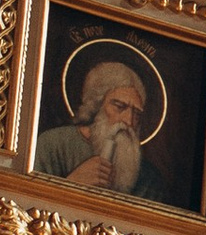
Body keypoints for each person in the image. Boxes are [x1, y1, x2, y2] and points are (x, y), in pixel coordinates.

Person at [35, 54, 161, 201]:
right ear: (97, 105)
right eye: (119, 107)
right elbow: (26, 201)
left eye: (137, 114)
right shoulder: (52, 144)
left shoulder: (148, 177)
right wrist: (73, 182)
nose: (129, 121)